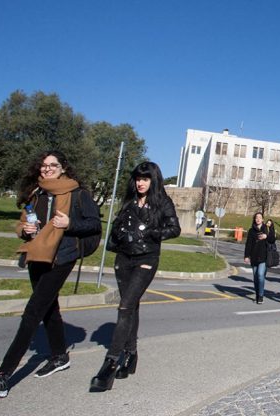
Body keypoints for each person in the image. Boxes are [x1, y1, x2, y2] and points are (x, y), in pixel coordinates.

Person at [0, 151, 101, 399]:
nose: (47, 169)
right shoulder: (37, 193)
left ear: (63, 168)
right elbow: (22, 224)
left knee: (33, 311)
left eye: (53, 165)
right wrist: (25, 229)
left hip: (62, 256)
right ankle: (59, 355)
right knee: (48, 307)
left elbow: (94, 224)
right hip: (37, 255)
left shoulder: (78, 193)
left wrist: (70, 225)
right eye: (44, 166)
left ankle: (2, 377)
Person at [89, 162, 180, 392]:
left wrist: (152, 232)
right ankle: (131, 355)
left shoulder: (162, 202)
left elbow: (175, 228)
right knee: (132, 307)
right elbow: (119, 224)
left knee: (124, 307)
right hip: (123, 259)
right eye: (138, 178)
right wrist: (120, 232)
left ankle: (110, 363)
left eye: (145, 179)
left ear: (154, 180)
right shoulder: (129, 200)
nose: (141, 183)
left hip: (146, 259)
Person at [244, 212, 275, 304]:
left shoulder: (267, 228)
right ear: (254, 219)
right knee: (255, 277)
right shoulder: (251, 231)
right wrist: (246, 256)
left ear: (262, 219)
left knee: (260, 275)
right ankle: (257, 294)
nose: (258, 219)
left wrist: (266, 236)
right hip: (254, 256)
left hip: (263, 256)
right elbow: (248, 244)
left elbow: (273, 239)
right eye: (256, 217)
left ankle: (261, 296)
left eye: (260, 217)